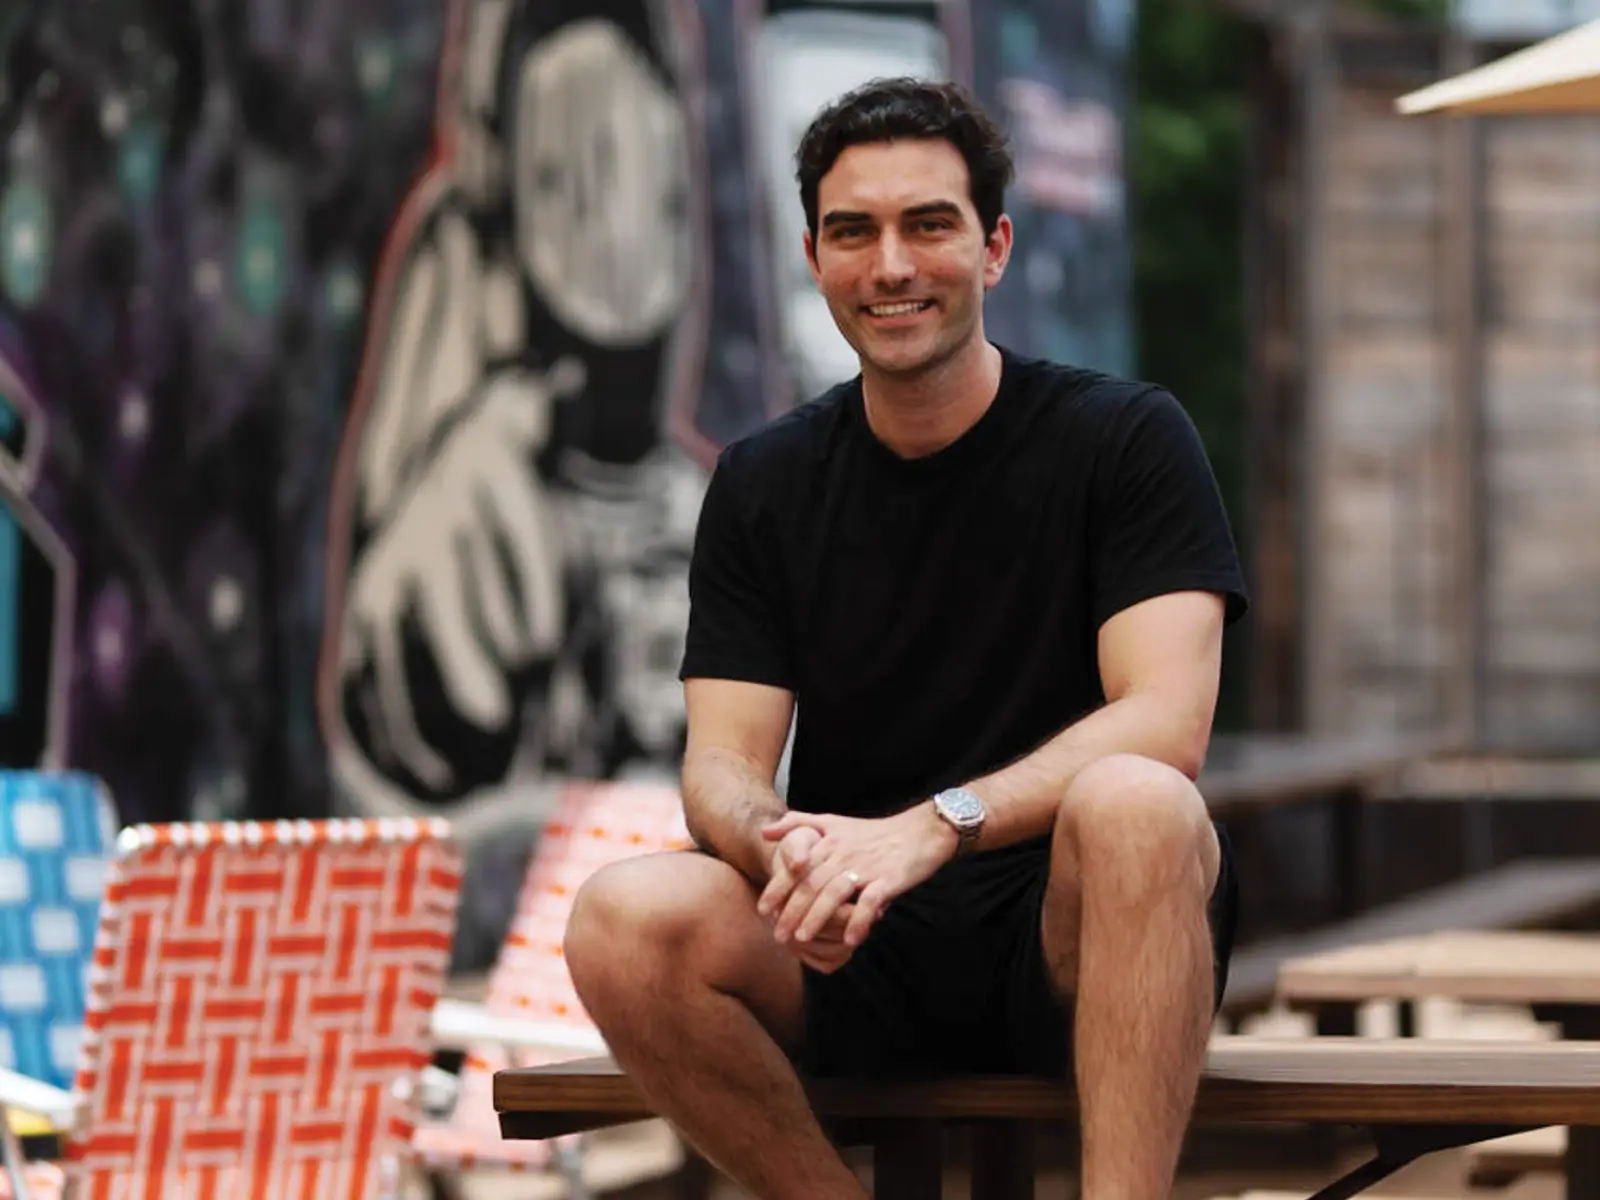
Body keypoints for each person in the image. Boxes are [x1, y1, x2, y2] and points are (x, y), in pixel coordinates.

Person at [564, 76, 1249, 1200]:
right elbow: (720, 764)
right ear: (814, 256)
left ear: (993, 249)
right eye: (854, 232)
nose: (890, 265)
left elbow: (1166, 725)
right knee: (621, 918)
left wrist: (936, 826)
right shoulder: (764, 481)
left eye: (928, 224)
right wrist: (778, 852)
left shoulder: (1124, 439)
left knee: (1140, 804)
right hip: (854, 942)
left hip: (1080, 940)